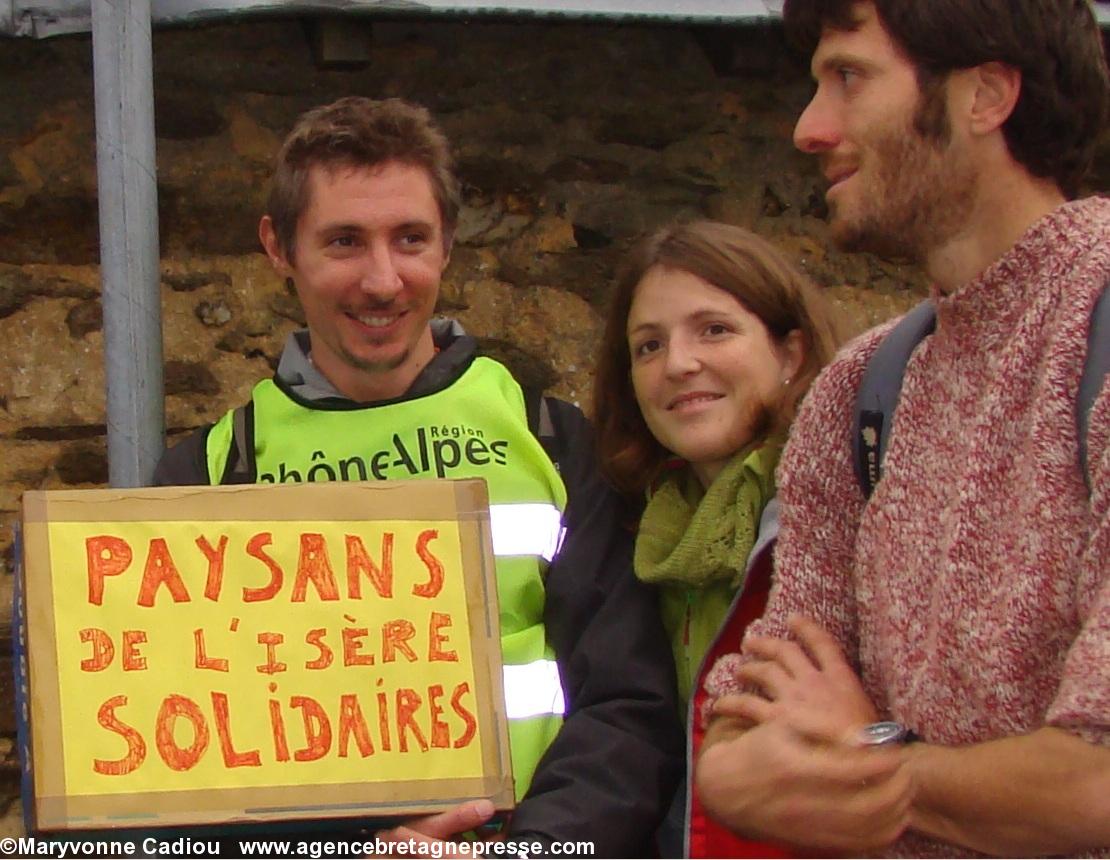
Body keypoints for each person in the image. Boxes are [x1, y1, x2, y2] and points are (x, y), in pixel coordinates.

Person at [154, 95, 683, 856]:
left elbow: (627, 707)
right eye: (344, 241)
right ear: (278, 247)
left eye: (410, 239)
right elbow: (175, 745)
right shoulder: (206, 475)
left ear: (448, 244)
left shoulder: (554, 443)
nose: (382, 280)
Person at [695, 0, 1110, 856]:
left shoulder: (1094, 329)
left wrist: (865, 754)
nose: (810, 129)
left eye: (848, 77)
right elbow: (733, 750)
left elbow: (1097, 780)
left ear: (986, 95)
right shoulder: (860, 390)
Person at [592, 221, 841, 857]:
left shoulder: (844, 513)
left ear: (792, 353)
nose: (678, 363)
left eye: (715, 330)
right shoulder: (631, 534)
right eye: (648, 346)